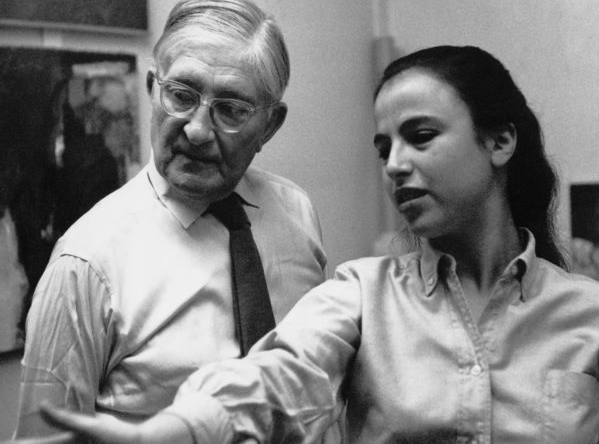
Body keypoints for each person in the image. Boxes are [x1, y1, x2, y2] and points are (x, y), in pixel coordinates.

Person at [42, 45, 599, 444]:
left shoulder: (585, 313)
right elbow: (281, 373)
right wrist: (184, 426)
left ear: (500, 141)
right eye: (384, 148)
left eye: (421, 136)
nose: (396, 165)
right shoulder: (362, 294)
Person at [14, 0, 327, 438]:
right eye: (181, 95)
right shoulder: (86, 263)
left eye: (231, 109)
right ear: (151, 91)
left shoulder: (297, 214)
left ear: (270, 126)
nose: (198, 131)